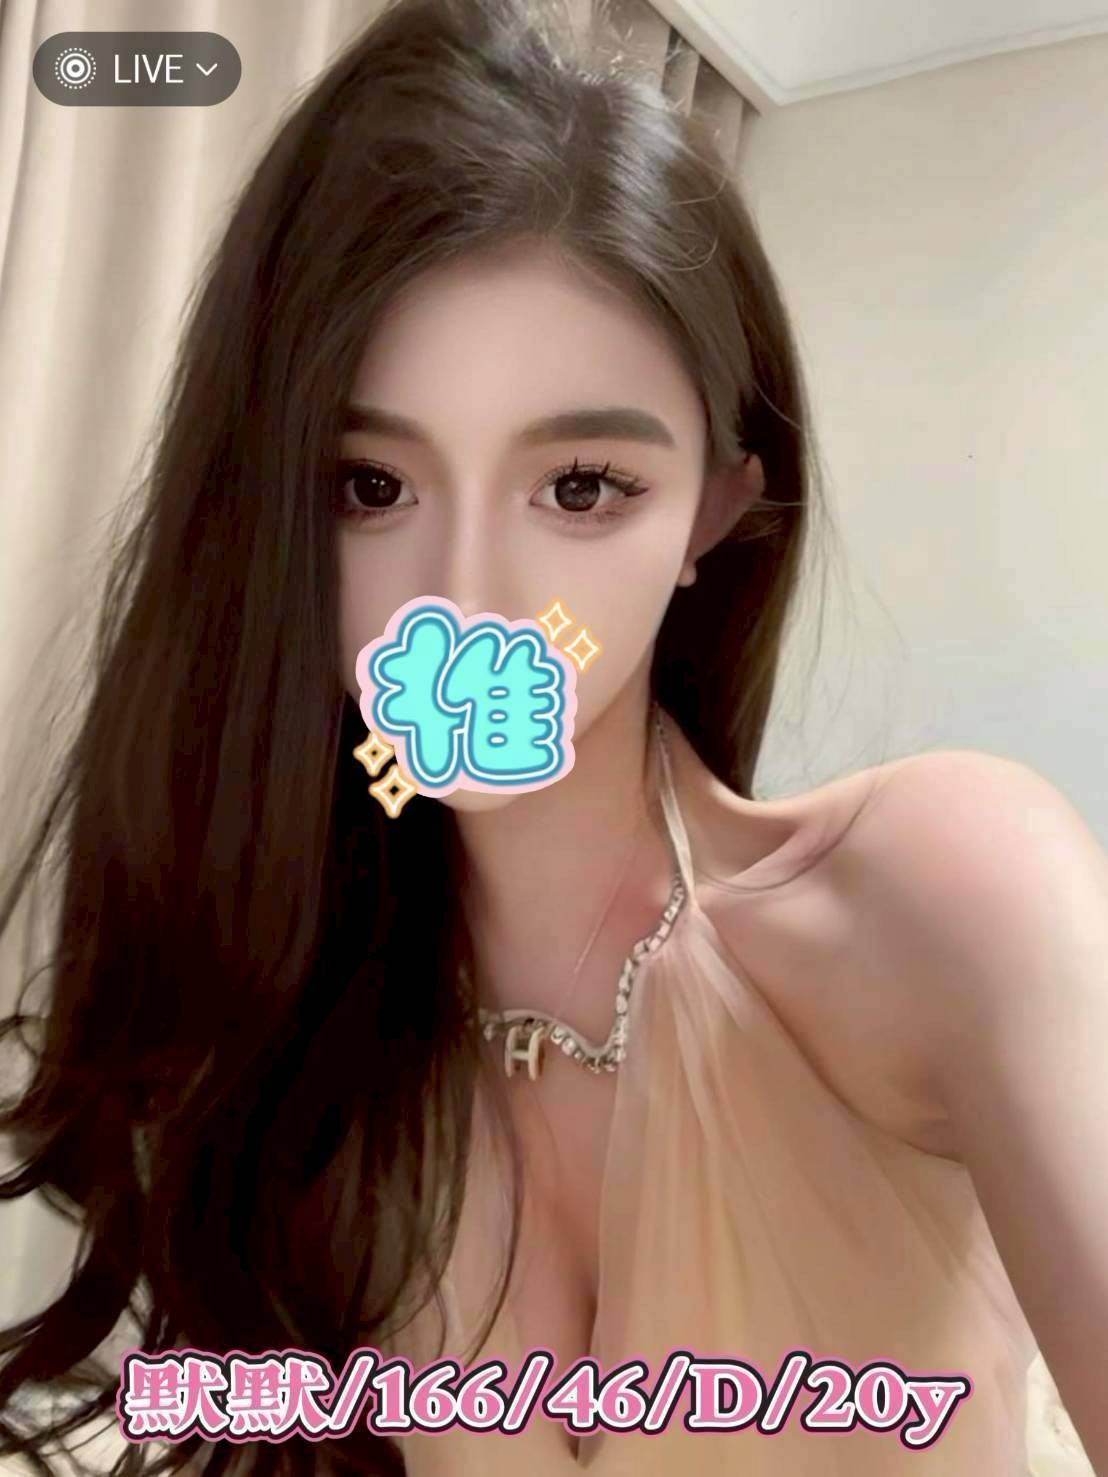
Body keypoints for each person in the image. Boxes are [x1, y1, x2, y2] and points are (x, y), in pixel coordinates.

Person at [1, 0, 1105, 1474]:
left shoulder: (933, 897)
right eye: (368, 486)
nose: (467, 601)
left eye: (581, 486)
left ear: (713, 509)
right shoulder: (293, 1049)